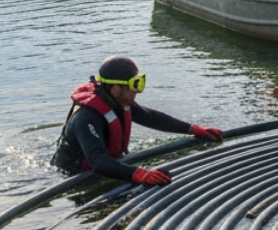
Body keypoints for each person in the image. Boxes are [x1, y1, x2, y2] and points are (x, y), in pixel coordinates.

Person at [50, 56, 222, 184]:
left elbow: (150, 117)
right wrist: (140, 174)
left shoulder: (116, 101)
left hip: (107, 164)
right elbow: (98, 161)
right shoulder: (86, 117)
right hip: (73, 175)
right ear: (116, 89)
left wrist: (193, 129)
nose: (138, 92)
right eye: (134, 85)